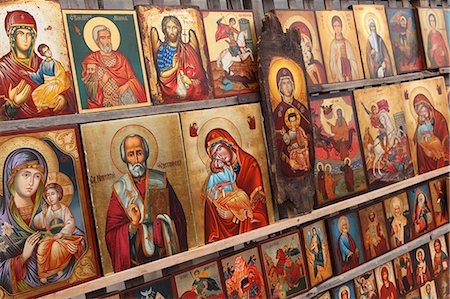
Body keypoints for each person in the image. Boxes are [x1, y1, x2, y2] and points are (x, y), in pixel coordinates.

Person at [0, 149, 85, 293]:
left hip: (64, 284)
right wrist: (22, 258)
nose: (32, 182)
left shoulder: (48, 208)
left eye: (37, 176)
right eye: (26, 175)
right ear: (12, 176)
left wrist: (76, 246)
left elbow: (77, 234)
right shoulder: (3, 216)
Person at [105, 134, 188, 272]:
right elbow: (111, 235)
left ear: (146, 154)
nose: (136, 159)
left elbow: (179, 218)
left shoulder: (160, 180)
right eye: (131, 154)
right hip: (138, 263)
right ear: (125, 158)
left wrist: (164, 223)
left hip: (164, 255)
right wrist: (133, 225)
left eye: (139, 153)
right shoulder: (120, 189)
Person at [0, 10, 75, 120]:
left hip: (53, 122)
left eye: (29, 34)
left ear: (34, 37)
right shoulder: (3, 69)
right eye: (20, 34)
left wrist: (64, 99)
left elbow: (68, 89)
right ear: (12, 37)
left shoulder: (45, 63)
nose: (26, 39)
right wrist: (13, 104)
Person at [203, 129, 269, 244]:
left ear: (229, 143)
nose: (219, 156)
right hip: (227, 223)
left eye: (219, 149)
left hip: (248, 225)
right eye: (214, 155)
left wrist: (234, 213)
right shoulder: (216, 174)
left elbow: (260, 209)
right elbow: (212, 202)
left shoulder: (250, 165)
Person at [81, 25, 147, 109]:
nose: (107, 41)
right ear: (97, 41)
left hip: (124, 99)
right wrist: (103, 81)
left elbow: (133, 79)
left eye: (108, 37)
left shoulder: (120, 58)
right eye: (103, 38)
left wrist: (126, 85)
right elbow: (90, 90)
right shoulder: (92, 60)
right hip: (104, 104)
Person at [33, 183, 83, 284]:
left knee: (56, 248)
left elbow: (70, 223)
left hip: (63, 237)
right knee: (41, 249)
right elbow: (40, 224)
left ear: (59, 194)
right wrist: (43, 214)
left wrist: (61, 233)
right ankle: (43, 273)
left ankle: (57, 269)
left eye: (52, 194)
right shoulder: (47, 211)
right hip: (50, 237)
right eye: (48, 195)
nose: (50, 197)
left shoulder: (65, 210)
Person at [152, 15, 208, 103]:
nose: (171, 31)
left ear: (179, 29)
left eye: (174, 27)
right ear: (164, 30)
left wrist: (189, 81)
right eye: (168, 28)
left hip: (191, 93)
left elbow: (200, 76)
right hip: (170, 94)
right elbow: (162, 75)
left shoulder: (187, 49)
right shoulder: (163, 50)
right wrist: (174, 68)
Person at [273, 67, 311, 176]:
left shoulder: (301, 108)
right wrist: (289, 161)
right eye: (284, 84)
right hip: (288, 160)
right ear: (279, 87)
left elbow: (309, 132)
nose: (287, 87)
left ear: (293, 84)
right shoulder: (278, 112)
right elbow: (277, 143)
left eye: (289, 83)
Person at [22, 44, 70, 113]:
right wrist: (28, 74)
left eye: (48, 50)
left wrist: (57, 82)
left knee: (48, 94)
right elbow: (39, 76)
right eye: (45, 52)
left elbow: (61, 75)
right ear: (43, 54)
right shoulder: (43, 63)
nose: (49, 52)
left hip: (56, 84)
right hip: (47, 84)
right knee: (35, 93)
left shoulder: (55, 63)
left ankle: (49, 106)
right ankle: (43, 107)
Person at [205, 157, 255, 223]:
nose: (220, 162)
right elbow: (209, 189)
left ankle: (250, 215)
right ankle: (241, 215)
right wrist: (216, 188)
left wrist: (230, 166)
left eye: (218, 161)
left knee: (243, 194)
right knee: (232, 201)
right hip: (221, 196)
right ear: (215, 167)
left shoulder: (226, 169)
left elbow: (232, 179)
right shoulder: (213, 176)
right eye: (217, 163)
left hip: (231, 192)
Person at [413, 94, 449, 174]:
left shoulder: (439, 118)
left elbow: (445, 137)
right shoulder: (421, 124)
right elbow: (418, 139)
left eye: (424, 112)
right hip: (427, 153)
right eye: (420, 114)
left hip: (439, 151)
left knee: (435, 142)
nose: (424, 115)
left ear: (429, 108)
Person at [329, 15, 360, 82]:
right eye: (335, 26)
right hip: (339, 75)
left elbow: (353, 60)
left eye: (339, 26)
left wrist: (346, 59)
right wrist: (336, 59)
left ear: (342, 27)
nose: (337, 28)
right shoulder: (333, 44)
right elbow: (332, 63)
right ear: (333, 28)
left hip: (348, 74)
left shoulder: (347, 43)